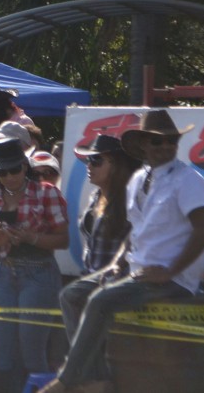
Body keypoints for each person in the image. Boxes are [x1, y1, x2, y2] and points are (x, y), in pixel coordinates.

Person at [40, 111, 204, 393]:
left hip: (173, 279)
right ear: (143, 144)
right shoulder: (138, 179)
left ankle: (67, 380)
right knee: (71, 295)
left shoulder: (188, 179)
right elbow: (136, 230)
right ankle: (96, 379)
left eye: (171, 141)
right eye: (158, 142)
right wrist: (116, 263)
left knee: (99, 301)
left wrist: (171, 271)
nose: (166, 146)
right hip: (138, 271)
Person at [0, 139, 68, 393]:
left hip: (39, 271)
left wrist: (29, 238)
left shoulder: (47, 192)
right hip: (2, 269)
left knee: (32, 352)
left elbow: (63, 239)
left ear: (25, 167)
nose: (10, 176)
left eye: (15, 169)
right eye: (2, 172)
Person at [57, 135, 139, 348]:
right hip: (92, 280)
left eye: (96, 160)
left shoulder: (131, 200)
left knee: (70, 298)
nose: (89, 166)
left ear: (116, 165)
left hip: (116, 284)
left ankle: (84, 369)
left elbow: (136, 247)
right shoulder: (96, 196)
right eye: (88, 160)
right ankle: (84, 367)